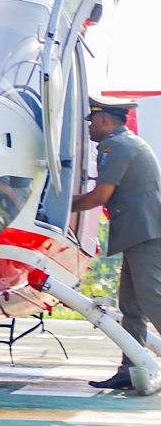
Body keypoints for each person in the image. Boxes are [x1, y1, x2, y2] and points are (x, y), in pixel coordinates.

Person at [71, 94, 161, 391]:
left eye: (92, 121)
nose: (89, 127)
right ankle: (131, 369)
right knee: (131, 306)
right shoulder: (129, 142)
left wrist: (62, 206)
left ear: (104, 120)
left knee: (152, 300)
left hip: (145, 233)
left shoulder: (114, 146)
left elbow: (100, 196)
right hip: (141, 232)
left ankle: (131, 367)